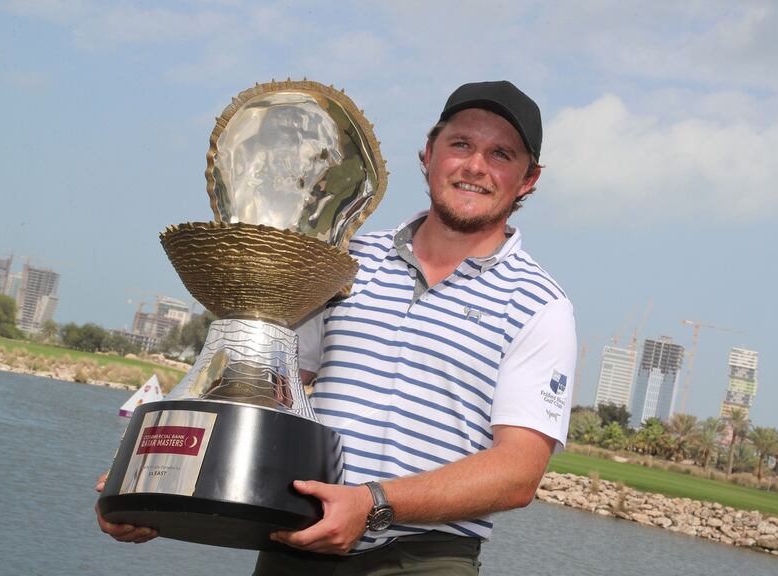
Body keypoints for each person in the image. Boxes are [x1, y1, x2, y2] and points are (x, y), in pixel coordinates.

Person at [97, 80, 577, 575]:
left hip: (426, 560)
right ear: (430, 152)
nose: (475, 166)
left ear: (529, 179)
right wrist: (150, 477)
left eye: (501, 154)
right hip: (296, 542)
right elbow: (273, 388)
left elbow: (517, 472)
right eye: (461, 144)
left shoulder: (541, 305)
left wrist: (373, 504)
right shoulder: (340, 262)